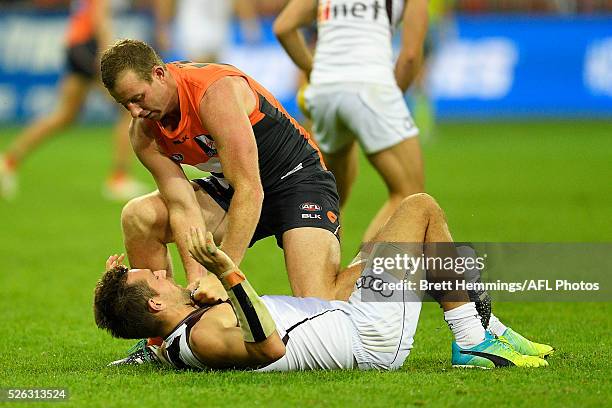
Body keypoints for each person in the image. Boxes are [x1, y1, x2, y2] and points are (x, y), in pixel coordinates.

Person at [94, 193, 553, 370]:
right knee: (421, 209)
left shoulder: (182, 336)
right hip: (369, 333)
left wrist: (117, 286)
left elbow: (167, 324)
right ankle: (472, 338)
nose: (161, 270)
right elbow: (268, 347)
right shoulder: (205, 334)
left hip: (347, 313)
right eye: (153, 278)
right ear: (155, 306)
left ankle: (470, 308)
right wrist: (228, 272)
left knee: (399, 239)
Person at [99, 39, 343, 299]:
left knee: (318, 302)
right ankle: (163, 333)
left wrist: (222, 276)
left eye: (138, 98)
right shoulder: (143, 133)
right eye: (126, 105)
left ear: (158, 74)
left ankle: (388, 260)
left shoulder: (213, 93)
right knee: (139, 216)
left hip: (297, 181)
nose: (135, 112)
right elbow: (182, 206)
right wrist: (197, 280)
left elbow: (250, 189)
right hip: (233, 191)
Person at [273, 0, 428, 241]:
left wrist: (315, 71)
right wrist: (389, 100)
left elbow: (284, 27)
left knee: (330, 197)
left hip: (323, 93)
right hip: (370, 84)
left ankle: (320, 275)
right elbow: (409, 57)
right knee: (409, 196)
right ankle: (362, 275)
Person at [0, 0, 146, 201]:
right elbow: (99, 14)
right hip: (90, 45)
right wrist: (106, 54)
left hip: (77, 43)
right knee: (128, 110)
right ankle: (119, 179)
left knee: (64, 115)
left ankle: (7, 161)